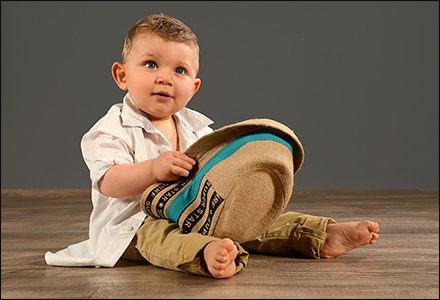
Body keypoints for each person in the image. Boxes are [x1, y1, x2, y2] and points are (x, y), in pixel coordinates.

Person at [45, 14, 379, 279]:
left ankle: (319, 235)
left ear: (194, 86)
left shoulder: (198, 129)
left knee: (252, 220)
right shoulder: (110, 129)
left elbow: (213, 174)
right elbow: (109, 182)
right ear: (121, 75)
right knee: (161, 237)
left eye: (179, 70)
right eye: (151, 64)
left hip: (193, 211)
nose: (165, 78)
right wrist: (152, 169)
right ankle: (204, 255)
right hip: (133, 227)